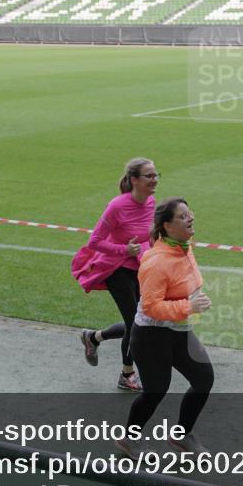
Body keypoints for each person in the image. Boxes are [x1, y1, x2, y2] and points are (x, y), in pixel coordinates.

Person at [115, 197, 214, 457]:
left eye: (189, 213)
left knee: (204, 379)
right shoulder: (156, 262)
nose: (190, 218)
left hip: (179, 330)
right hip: (151, 336)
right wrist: (188, 306)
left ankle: (182, 436)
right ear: (168, 226)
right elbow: (150, 306)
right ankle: (129, 439)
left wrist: (193, 300)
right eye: (182, 216)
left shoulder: (183, 246)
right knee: (156, 391)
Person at [72, 158, 159, 392]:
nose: (154, 180)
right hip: (114, 267)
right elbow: (95, 241)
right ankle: (126, 374)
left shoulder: (151, 202)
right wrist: (124, 250)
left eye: (155, 175)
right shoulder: (117, 206)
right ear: (134, 180)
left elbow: (147, 234)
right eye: (148, 176)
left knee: (145, 319)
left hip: (138, 267)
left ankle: (94, 337)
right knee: (136, 322)